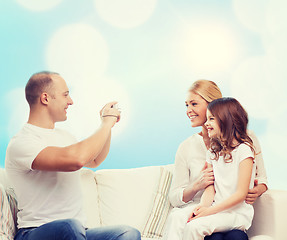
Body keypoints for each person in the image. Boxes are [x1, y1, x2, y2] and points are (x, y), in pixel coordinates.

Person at [5, 71, 141, 240]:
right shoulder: (22, 142)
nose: (71, 101)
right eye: (65, 95)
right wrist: (106, 124)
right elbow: (76, 160)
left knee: (128, 234)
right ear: (45, 98)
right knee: (69, 226)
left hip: (77, 233)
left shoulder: (65, 136)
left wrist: (107, 125)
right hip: (34, 232)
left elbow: (94, 159)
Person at [163, 80, 267, 240]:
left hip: (231, 212)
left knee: (234, 237)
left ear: (216, 108)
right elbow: (178, 196)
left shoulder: (246, 143)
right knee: (178, 218)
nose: (188, 110)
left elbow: (260, 181)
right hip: (208, 208)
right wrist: (197, 189)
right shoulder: (203, 150)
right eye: (187, 105)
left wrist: (254, 190)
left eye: (194, 104)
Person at [184, 97, 256, 239]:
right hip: (217, 212)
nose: (206, 123)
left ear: (225, 120)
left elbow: (241, 194)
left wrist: (209, 211)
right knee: (187, 221)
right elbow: (211, 189)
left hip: (237, 214)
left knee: (194, 227)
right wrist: (202, 207)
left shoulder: (244, 151)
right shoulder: (212, 152)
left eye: (211, 119)